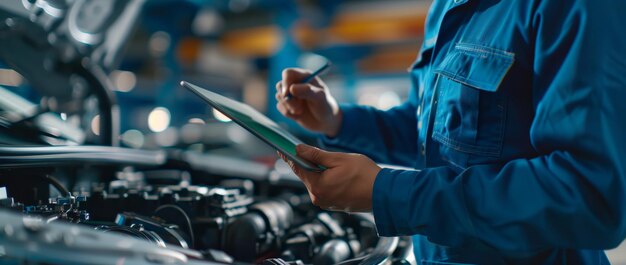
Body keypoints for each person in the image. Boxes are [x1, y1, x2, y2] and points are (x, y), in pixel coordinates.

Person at [274, 0, 626, 264]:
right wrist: (336, 120)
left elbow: (589, 195)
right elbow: (433, 131)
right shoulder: (447, 6)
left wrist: (390, 193)